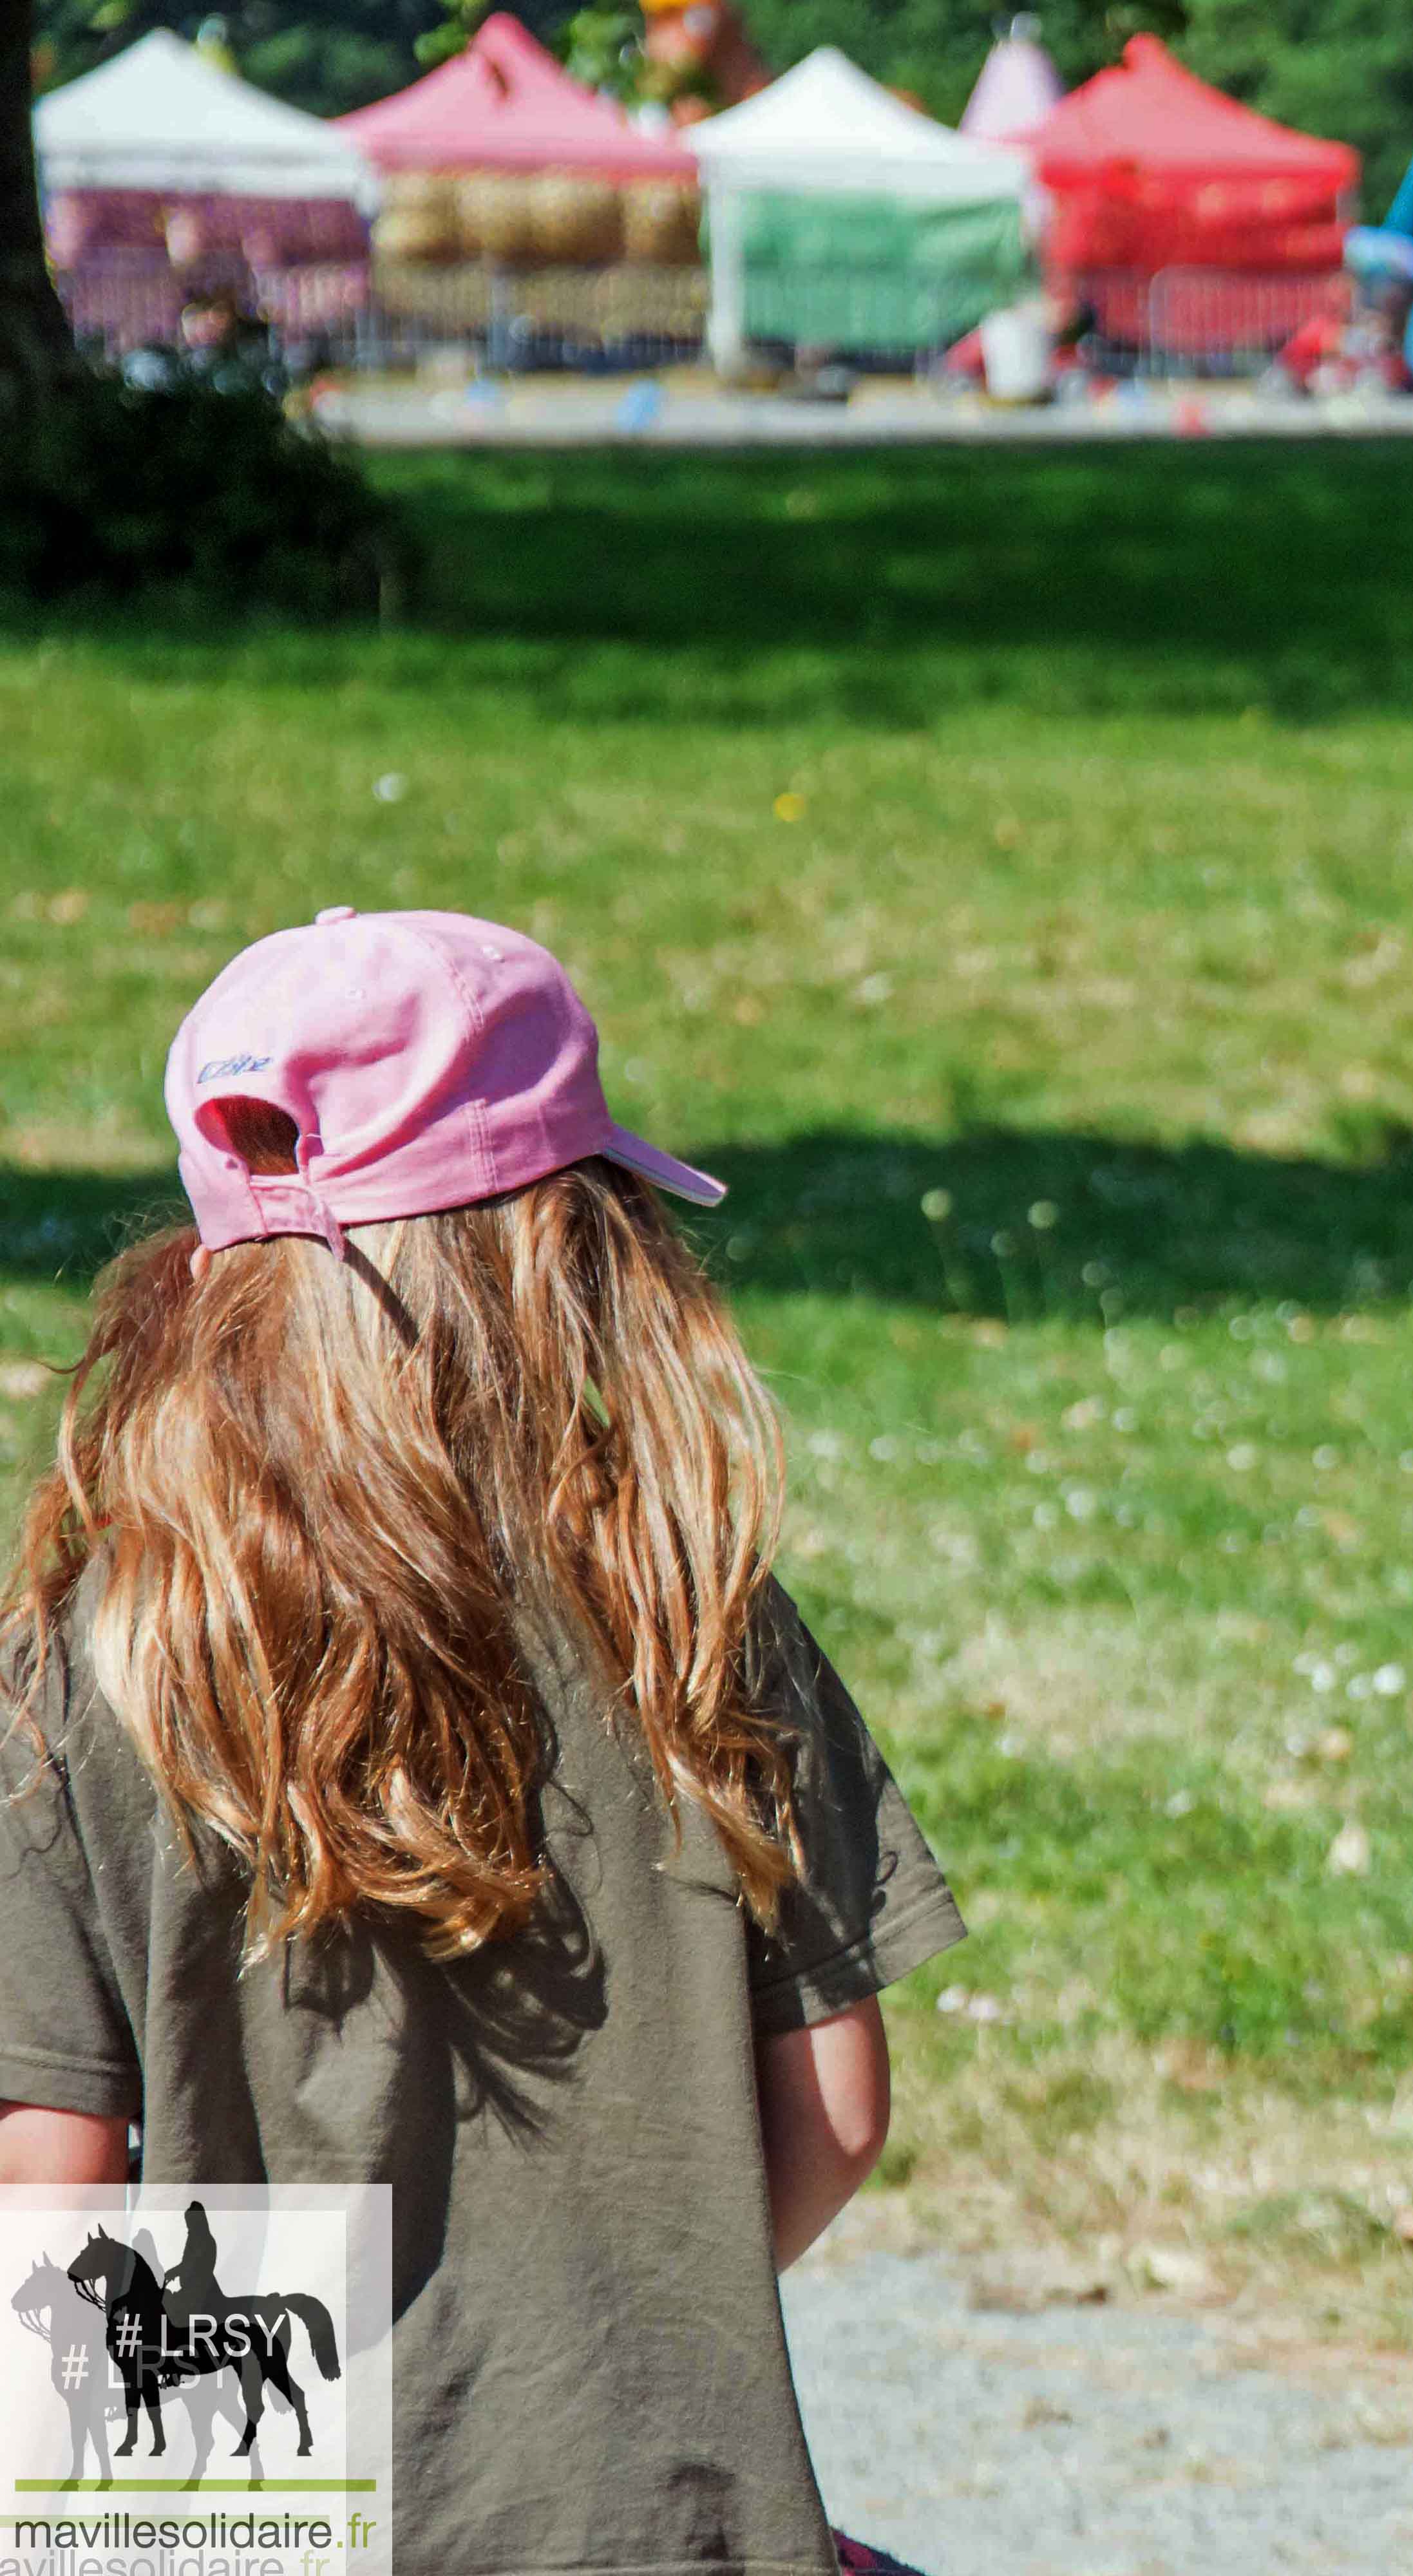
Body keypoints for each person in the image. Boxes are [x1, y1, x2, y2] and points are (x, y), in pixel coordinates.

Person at [0, 908, 967, 2576]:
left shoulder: (97, 1663)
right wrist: (632, 2371)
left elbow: (57, 2180)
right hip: (668, 2520)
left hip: (246, 2531)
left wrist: (249, 2483)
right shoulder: (691, 1610)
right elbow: (843, 2106)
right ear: (574, 1244)